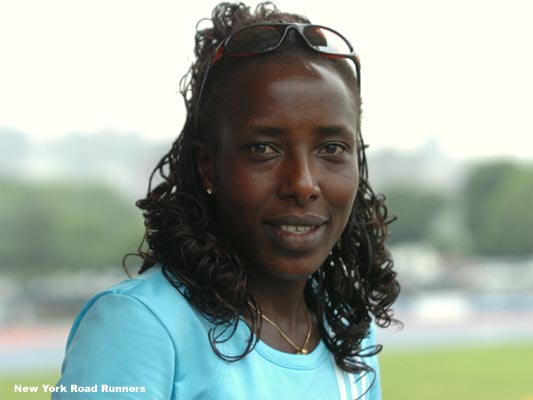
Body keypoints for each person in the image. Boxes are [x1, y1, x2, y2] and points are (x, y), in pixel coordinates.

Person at [54, 2, 400, 399]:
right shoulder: (140, 326)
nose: (302, 184)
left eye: (333, 147)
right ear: (208, 166)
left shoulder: (348, 330)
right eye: (263, 149)